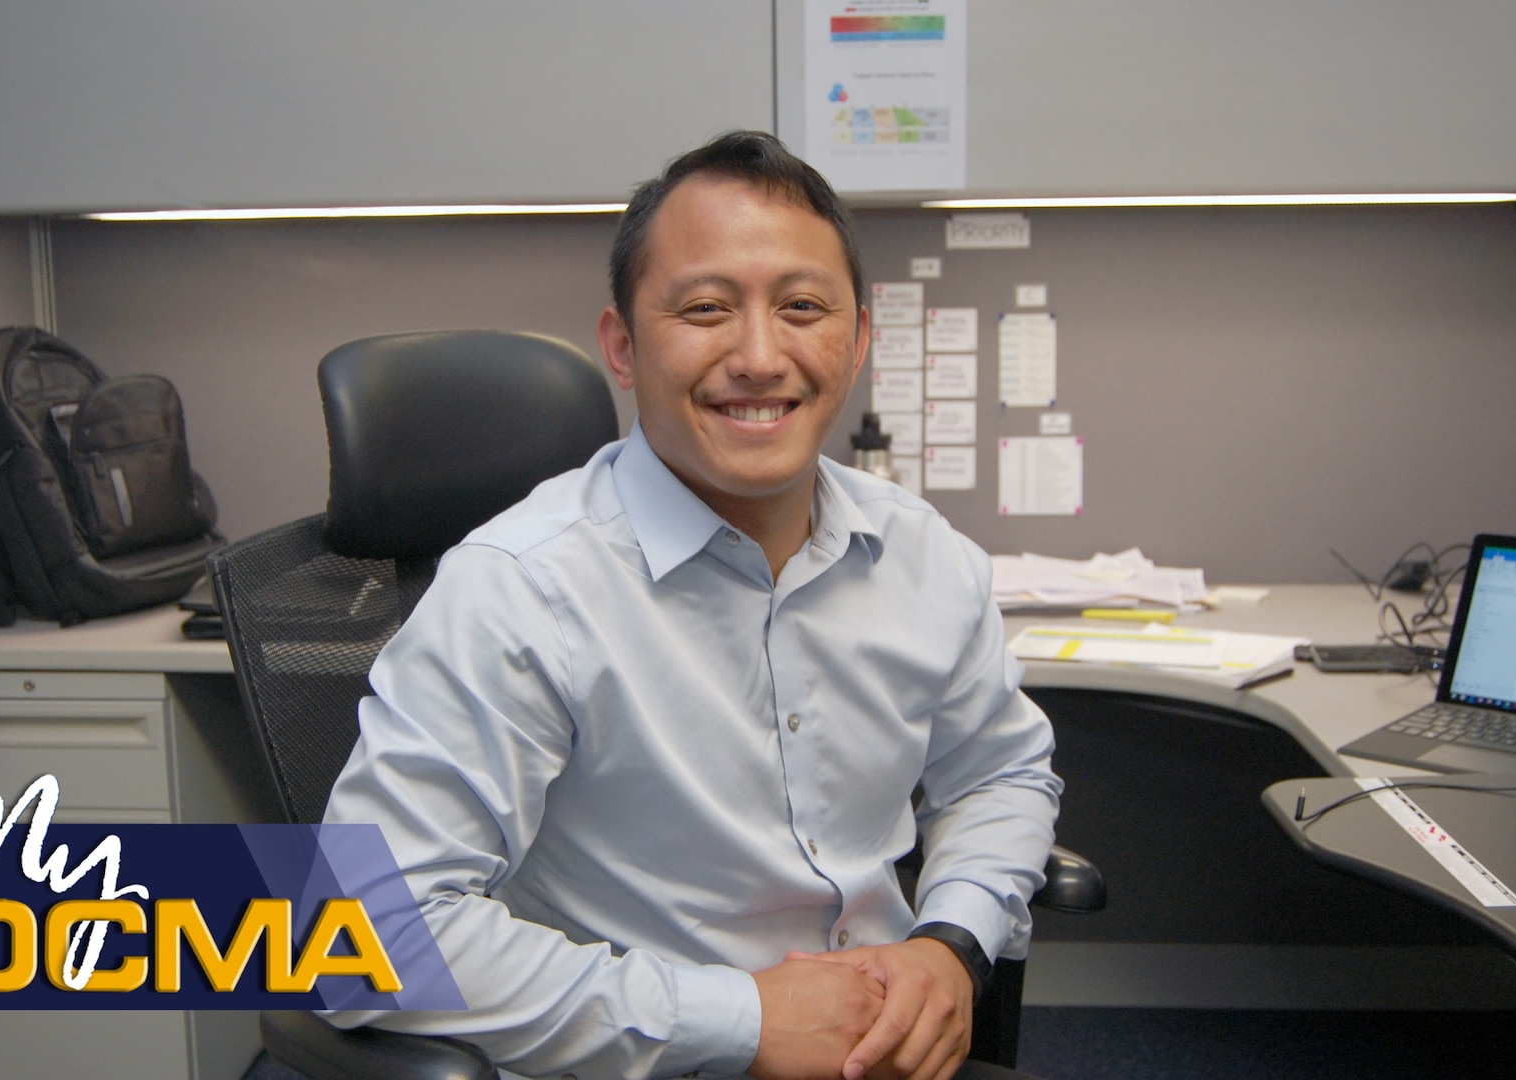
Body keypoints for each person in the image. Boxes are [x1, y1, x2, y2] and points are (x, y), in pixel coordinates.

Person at [322, 130, 1061, 1080]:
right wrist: (741, 1019)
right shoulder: (522, 588)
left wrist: (951, 940)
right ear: (622, 347)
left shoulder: (922, 554)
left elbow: (1002, 774)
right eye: (707, 309)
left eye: (802, 307)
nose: (760, 356)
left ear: (860, 338)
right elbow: (359, 933)